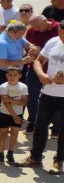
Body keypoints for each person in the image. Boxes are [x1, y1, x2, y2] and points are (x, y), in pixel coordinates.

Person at [22, 21, 64, 172]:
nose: (62, 37)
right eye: (60, 33)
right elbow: (39, 60)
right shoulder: (53, 42)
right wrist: (41, 74)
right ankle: (35, 157)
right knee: (40, 126)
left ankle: (59, 161)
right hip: (48, 92)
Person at [0, 21, 38, 134]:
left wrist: (32, 48)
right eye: (20, 34)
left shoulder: (16, 37)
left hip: (15, 72)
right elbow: (3, 63)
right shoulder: (1, 42)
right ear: (12, 32)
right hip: (2, 73)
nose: (21, 37)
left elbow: (28, 44)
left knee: (9, 97)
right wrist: (23, 61)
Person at [24, 13, 60, 130]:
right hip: (35, 68)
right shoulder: (31, 31)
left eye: (39, 27)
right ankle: (33, 120)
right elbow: (28, 47)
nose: (37, 30)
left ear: (45, 21)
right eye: (35, 28)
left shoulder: (58, 29)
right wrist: (31, 49)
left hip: (54, 69)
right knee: (32, 95)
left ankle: (56, 125)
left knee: (55, 97)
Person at [0, 66, 27, 166]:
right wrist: (15, 116)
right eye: (10, 75)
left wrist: (11, 99)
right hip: (5, 114)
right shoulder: (3, 86)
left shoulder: (23, 87)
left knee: (14, 135)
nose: (12, 77)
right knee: (3, 134)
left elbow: (24, 102)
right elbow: (5, 103)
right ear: (6, 76)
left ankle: (10, 153)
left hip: (18, 114)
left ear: (19, 76)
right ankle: (0, 153)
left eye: (15, 75)